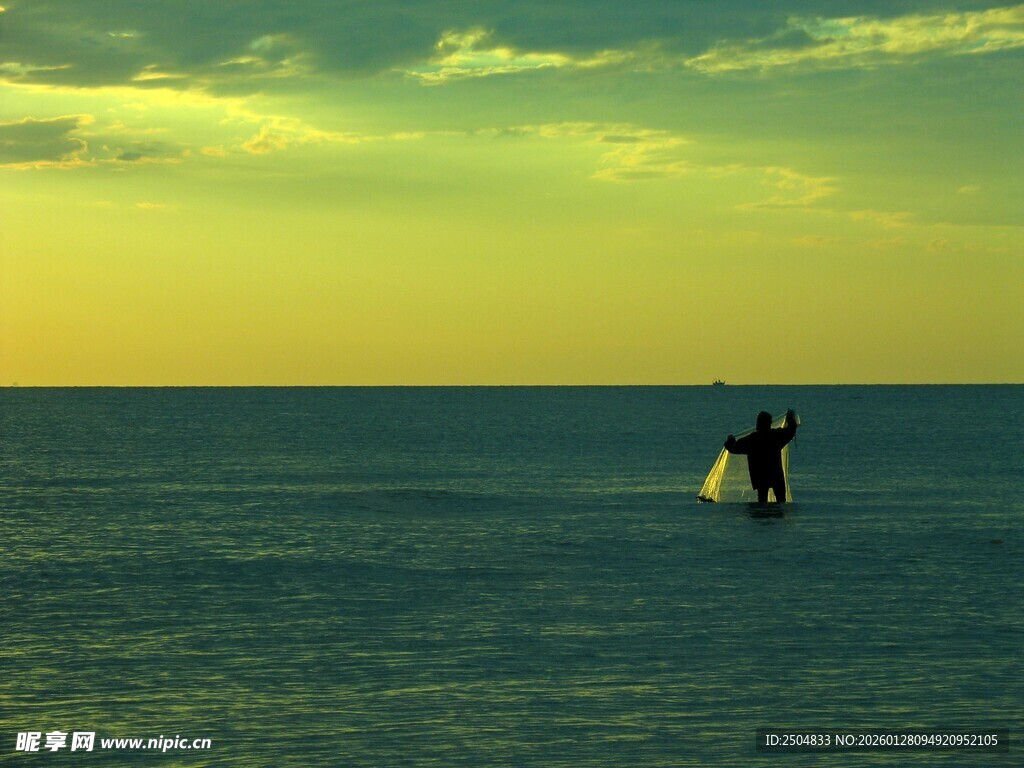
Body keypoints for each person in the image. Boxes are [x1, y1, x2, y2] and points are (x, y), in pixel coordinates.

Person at [724, 409, 798, 503]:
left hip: (760, 477)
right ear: (769, 423)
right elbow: (791, 430)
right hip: (776, 475)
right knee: (781, 502)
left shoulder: (751, 439)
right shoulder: (775, 436)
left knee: (762, 502)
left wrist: (730, 440)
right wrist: (790, 418)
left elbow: (733, 448)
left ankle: (761, 516)